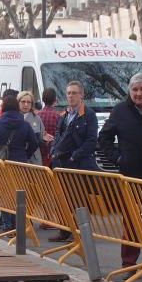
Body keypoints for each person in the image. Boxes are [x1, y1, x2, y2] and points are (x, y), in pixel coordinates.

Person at [97, 73, 142, 276]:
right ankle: (128, 264)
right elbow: (104, 138)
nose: (139, 93)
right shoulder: (120, 111)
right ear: (130, 91)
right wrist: (118, 158)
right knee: (130, 221)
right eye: (135, 90)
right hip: (129, 176)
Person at [49, 81, 99, 242]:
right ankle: (64, 230)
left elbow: (91, 140)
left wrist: (75, 155)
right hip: (61, 163)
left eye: (74, 93)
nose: (71, 96)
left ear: (82, 95)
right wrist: (53, 150)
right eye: (69, 93)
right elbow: (57, 134)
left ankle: (81, 232)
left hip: (79, 164)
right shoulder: (64, 115)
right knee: (62, 198)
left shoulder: (88, 115)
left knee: (79, 200)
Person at [0, 92, 38, 230]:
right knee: (19, 194)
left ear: (4, 107)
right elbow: (34, 143)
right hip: (19, 162)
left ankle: (7, 224)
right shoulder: (24, 125)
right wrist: (25, 154)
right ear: (17, 107)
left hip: (1, 163)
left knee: (5, 193)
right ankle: (17, 223)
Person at [18, 91, 52, 165]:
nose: (26, 104)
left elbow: (41, 138)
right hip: (18, 158)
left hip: (33, 160)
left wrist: (44, 139)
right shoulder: (14, 117)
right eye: (23, 102)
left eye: (28, 102)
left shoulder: (36, 119)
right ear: (18, 102)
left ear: (32, 104)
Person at [36, 88, 61, 168]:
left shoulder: (37, 116)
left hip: (39, 154)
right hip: (53, 154)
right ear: (55, 100)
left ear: (43, 99)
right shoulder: (58, 116)